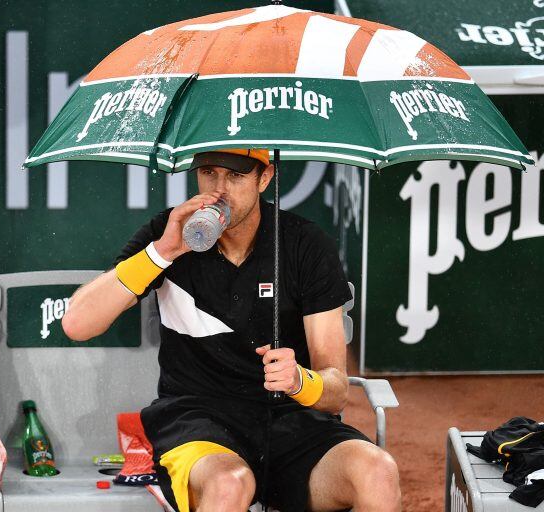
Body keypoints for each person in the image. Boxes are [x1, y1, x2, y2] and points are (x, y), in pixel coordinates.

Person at [62, 148, 401, 512]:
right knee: (229, 485)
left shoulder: (304, 243)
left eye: (236, 176)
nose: (219, 189)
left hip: (292, 421)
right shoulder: (167, 232)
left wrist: (300, 381)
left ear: (265, 177)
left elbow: (334, 393)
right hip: (197, 419)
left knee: (377, 472)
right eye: (208, 173)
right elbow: (77, 324)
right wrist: (162, 253)